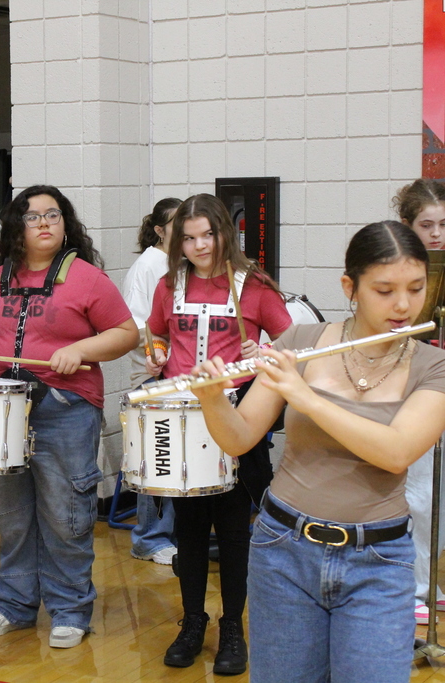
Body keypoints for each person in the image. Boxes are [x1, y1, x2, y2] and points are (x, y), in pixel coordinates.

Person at [190, 221, 445, 683]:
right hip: (283, 550)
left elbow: (395, 452)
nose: (404, 305)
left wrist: (305, 397)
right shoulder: (300, 344)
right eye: (384, 290)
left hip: (379, 561)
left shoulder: (434, 366)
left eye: (416, 288)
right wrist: (210, 397)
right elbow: (238, 438)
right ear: (351, 287)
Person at [0, 185, 138, 649]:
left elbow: (125, 333)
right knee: (12, 515)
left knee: (66, 514)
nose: (43, 224)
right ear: (17, 226)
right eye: (33, 217)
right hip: (3, 410)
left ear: (65, 223)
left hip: (65, 409)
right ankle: (13, 605)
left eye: (52, 215)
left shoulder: (87, 278)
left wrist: (78, 349)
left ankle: (70, 610)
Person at [145, 193, 292, 675]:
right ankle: (192, 622)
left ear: (225, 233)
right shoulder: (170, 284)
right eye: (188, 238)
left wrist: (263, 347)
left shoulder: (256, 286)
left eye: (207, 235)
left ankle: (232, 626)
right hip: (184, 420)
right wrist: (157, 352)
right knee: (187, 533)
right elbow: (157, 334)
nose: (199, 245)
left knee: (233, 533)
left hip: (238, 420)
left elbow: (289, 342)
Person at [394, 178, 445, 624]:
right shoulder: (400, 276)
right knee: (420, 493)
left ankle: (432, 575)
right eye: (427, 224)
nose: (437, 234)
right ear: (409, 227)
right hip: (418, 391)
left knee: (442, 496)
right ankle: (414, 583)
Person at [122, 197, 182, 566]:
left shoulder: (184, 266)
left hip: (184, 377)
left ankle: (174, 532)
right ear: (160, 231)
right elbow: (138, 328)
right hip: (154, 378)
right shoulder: (148, 268)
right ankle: (150, 537)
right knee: (160, 459)